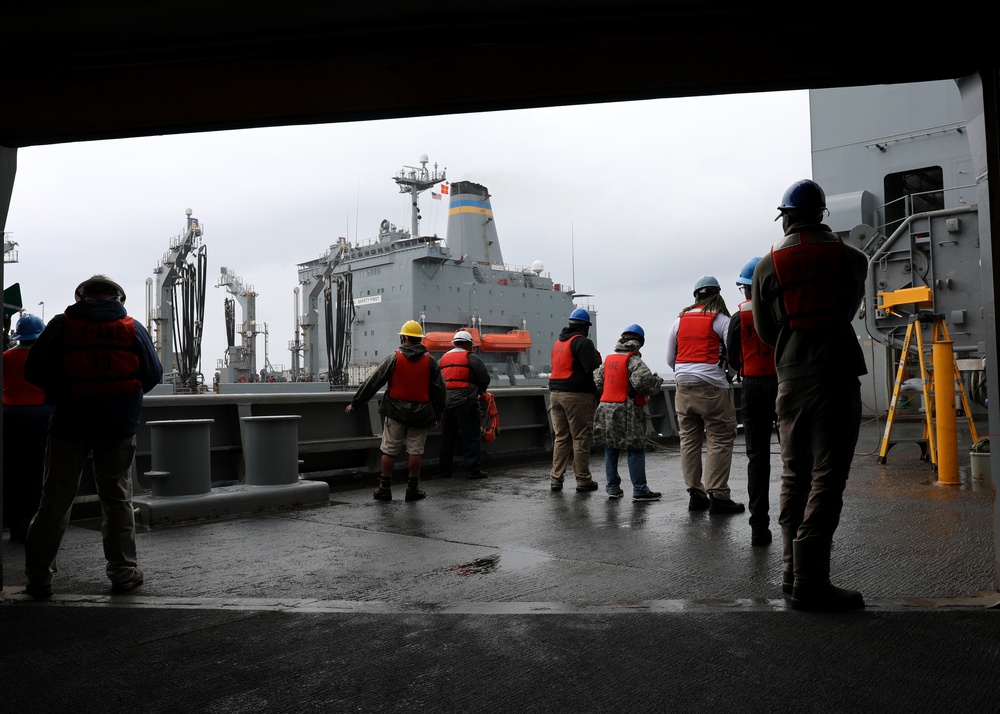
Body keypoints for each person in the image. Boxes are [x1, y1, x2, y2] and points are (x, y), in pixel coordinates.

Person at [752, 179, 868, 612]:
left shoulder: (767, 267)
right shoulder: (853, 259)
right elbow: (848, 309)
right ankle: (812, 580)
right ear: (822, 214)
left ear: (785, 217)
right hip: (837, 377)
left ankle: (790, 571)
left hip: (790, 381)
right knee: (827, 477)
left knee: (795, 474)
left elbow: (767, 333)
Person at [22, 275, 163, 600]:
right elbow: (152, 375)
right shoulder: (132, 327)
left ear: (81, 297)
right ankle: (123, 573)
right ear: (118, 298)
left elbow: (34, 371)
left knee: (55, 501)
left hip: (70, 424)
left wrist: (64, 392)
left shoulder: (62, 325)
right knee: (117, 499)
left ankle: (40, 577)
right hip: (117, 428)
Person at [666, 276, 744, 514]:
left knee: (689, 441)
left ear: (696, 296)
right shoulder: (722, 320)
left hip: (683, 387)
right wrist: (727, 375)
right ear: (717, 295)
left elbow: (671, 359)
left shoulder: (678, 321)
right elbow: (733, 355)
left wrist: (686, 374)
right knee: (720, 438)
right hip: (712, 387)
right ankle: (718, 495)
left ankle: (696, 495)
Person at [345, 320, 445, 502]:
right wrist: (438, 414)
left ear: (405, 337)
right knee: (416, 451)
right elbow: (439, 390)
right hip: (421, 414)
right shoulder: (431, 361)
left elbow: (373, 382)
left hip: (395, 412)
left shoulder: (394, 358)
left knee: (389, 450)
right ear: (419, 339)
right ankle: (412, 489)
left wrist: (356, 403)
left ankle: (385, 489)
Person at [727, 257, 779, 546]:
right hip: (783, 384)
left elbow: (733, 357)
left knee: (757, 459)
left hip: (752, 385)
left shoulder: (739, 317)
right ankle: (799, 523)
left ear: (745, 289)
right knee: (796, 456)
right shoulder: (780, 311)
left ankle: (759, 528)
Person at [593, 324, 663, 501]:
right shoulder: (633, 360)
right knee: (635, 448)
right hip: (626, 408)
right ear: (639, 342)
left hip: (605, 407)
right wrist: (657, 381)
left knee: (611, 447)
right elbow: (644, 383)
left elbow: (598, 378)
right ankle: (640, 489)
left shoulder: (609, 358)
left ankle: (613, 488)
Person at [3, 314, 53, 543]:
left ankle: (15, 528)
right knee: (36, 473)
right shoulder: (47, 357)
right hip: (40, 417)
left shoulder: (5, 357)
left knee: (12, 473)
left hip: (9, 417)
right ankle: (34, 528)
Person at [548, 307, 601, 492]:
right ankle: (583, 480)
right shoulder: (582, 342)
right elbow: (593, 370)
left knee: (561, 438)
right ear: (585, 327)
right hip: (576, 395)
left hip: (555, 394)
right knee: (580, 437)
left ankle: (556, 479)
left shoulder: (558, 343)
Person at [438, 330, 491, 480]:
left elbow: (436, 380)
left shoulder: (442, 359)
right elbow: (484, 377)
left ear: (454, 343)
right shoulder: (471, 357)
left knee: (447, 438)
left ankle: (445, 471)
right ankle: (473, 470)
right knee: (471, 437)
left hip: (446, 404)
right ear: (468, 344)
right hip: (466, 402)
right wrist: (481, 390)